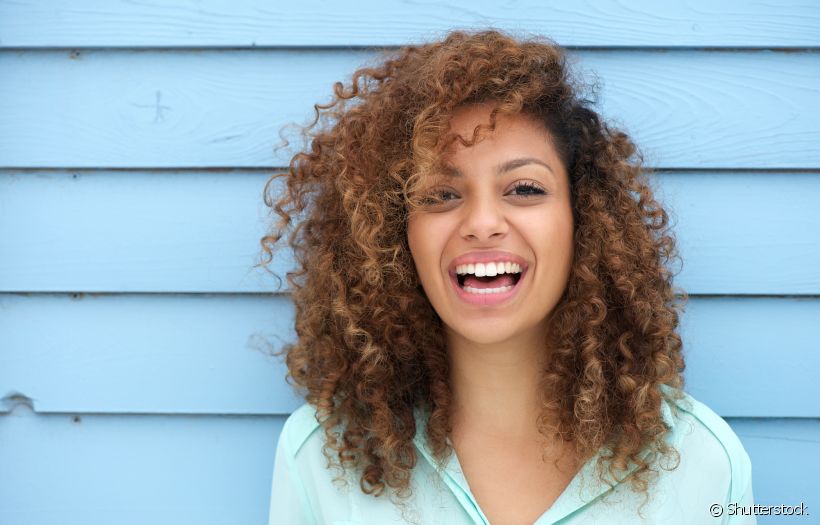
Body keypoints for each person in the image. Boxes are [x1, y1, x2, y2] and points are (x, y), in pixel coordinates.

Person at [261, 29, 755, 525]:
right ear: (394, 235)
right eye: (440, 195)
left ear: (582, 218)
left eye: (523, 188)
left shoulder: (702, 463)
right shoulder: (320, 459)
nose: (481, 224)